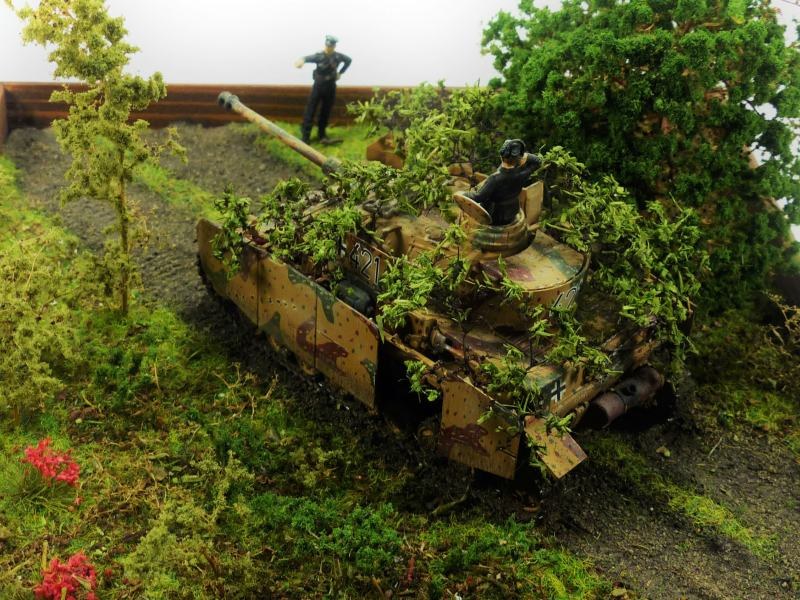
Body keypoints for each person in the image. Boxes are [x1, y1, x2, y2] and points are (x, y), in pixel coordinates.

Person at [465, 139, 541, 226]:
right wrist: (523, 155)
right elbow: (537, 161)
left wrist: (462, 194)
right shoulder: (523, 174)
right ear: (519, 159)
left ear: (501, 156)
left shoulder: (495, 179)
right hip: (512, 211)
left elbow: (478, 197)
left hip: (494, 215)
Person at [294, 35, 352, 145]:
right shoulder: (319, 56)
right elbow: (306, 58)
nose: (329, 48)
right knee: (310, 110)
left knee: (326, 111)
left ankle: (322, 135)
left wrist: (340, 73)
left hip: (330, 86)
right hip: (318, 86)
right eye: (327, 45)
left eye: (331, 46)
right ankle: (306, 136)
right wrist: (300, 61)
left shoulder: (338, 57)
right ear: (325, 45)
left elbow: (348, 60)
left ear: (334, 46)